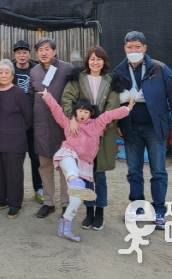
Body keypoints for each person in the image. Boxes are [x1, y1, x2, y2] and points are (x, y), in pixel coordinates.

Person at [111, 31, 172, 230]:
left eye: (137, 47)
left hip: (155, 128)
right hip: (130, 128)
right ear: (125, 49)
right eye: (130, 47)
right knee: (134, 171)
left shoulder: (159, 69)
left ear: (145, 48)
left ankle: (159, 210)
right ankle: (137, 207)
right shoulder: (119, 71)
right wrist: (117, 124)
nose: (133, 50)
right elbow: (113, 102)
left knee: (158, 171)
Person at [39, 88, 133, 242]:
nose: (82, 114)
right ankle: (75, 182)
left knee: (76, 200)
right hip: (68, 155)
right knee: (72, 169)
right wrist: (47, 95)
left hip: (84, 164)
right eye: (80, 111)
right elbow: (56, 111)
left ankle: (65, 228)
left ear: (90, 113)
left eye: (86, 112)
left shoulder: (96, 124)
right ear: (75, 112)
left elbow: (110, 115)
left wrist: (127, 109)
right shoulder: (68, 123)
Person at [61, 46, 120, 231]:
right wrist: (72, 118)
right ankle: (88, 212)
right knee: (85, 173)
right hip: (82, 134)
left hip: (103, 133)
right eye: (92, 59)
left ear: (104, 62)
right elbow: (67, 99)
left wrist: (101, 126)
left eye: (99, 59)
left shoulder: (111, 81)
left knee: (99, 174)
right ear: (87, 60)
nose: (95, 62)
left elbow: (113, 106)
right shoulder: (77, 79)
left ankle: (99, 213)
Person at [28, 37, 73, 218]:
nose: (44, 53)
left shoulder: (67, 68)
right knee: (44, 166)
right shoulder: (34, 71)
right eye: (40, 50)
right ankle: (48, 202)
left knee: (64, 165)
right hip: (41, 126)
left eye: (47, 49)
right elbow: (31, 97)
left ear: (54, 51)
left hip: (62, 126)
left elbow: (74, 94)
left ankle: (65, 203)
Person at [0, 59, 34, 219]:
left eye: (7, 72)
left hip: (15, 141)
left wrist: (16, 129)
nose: (3, 75)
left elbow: (28, 116)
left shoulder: (18, 93)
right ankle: (1, 200)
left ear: (12, 75)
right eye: (0, 72)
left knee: (14, 174)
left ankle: (15, 204)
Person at [11, 40, 43, 204]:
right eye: (18, 52)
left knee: (36, 157)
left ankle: (39, 189)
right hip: (14, 122)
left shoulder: (37, 69)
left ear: (30, 53)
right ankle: (14, 192)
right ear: (14, 54)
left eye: (25, 52)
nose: (22, 55)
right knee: (15, 159)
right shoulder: (8, 68)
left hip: (34, 121)